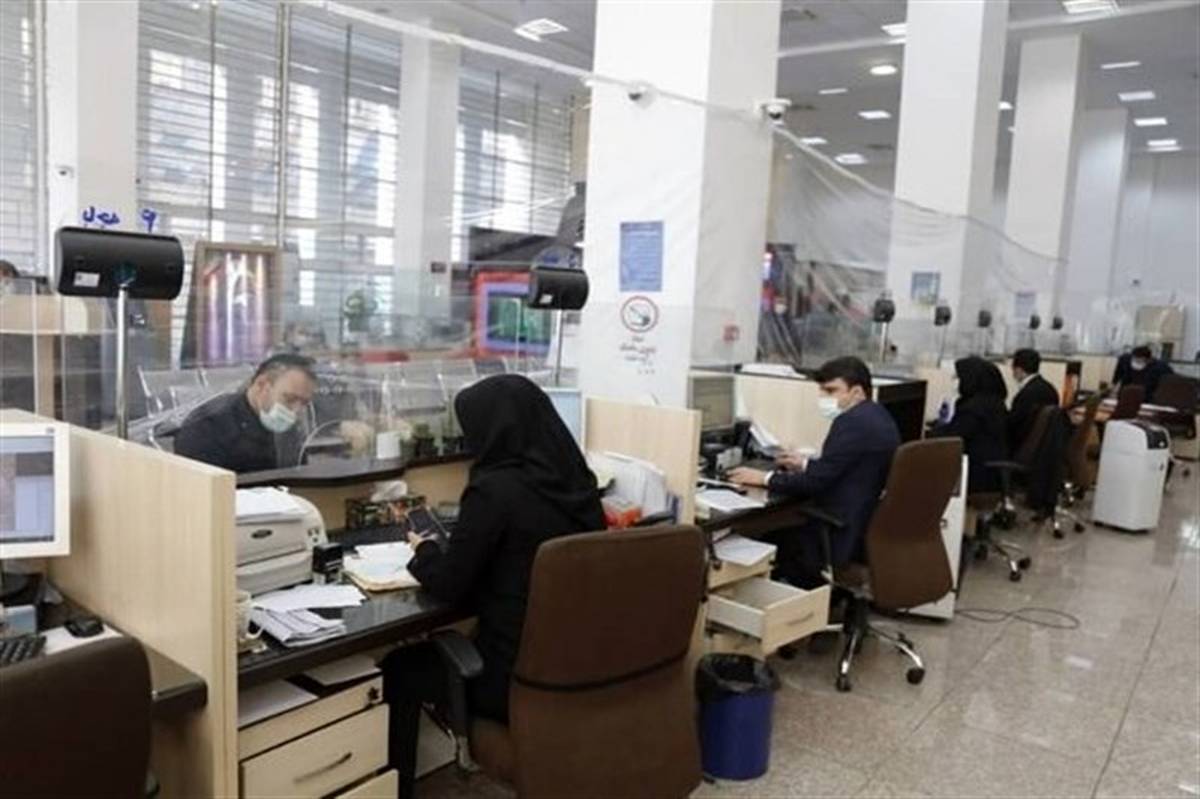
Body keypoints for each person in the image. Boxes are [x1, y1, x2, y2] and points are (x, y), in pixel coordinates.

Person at [381, 375, 605, 798]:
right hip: (576, 663)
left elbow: (449, 584)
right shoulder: (577, 482)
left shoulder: (494, 489)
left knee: (400, 667)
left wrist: (424, 549)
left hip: (510, 679)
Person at [727, 356, 900, 589]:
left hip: (840, 529)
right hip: (861, 521)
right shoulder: (878, 416)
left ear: (857, 392)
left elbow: (815, 483)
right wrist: (805, 464)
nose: (824, 398)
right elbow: (844, 466)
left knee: (765, 539)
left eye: (831, 390)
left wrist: (764, 478)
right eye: (822, 391)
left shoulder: (851, 423)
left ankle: (790, 602)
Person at [173, 353, 317, 473]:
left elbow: (297, 478)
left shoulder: (288, 431)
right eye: (289, 399)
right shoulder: (206, 427)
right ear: (261, 385)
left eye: (304, 403)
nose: (296, 411)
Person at [929, 356, 1008, 495]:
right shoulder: (993, 401)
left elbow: (953, 437)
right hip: (990, 471)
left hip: (976, 474)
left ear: (970, 379)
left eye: (958, 377)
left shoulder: (974, 409)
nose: (956, 381)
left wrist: (930, 432)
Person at [1007, 348, 1059, 453]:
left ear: (1018, 369)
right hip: (1041, 450)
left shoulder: (1025, 395)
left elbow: (1011, 426)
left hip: (1021, 449)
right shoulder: (1050, 389)